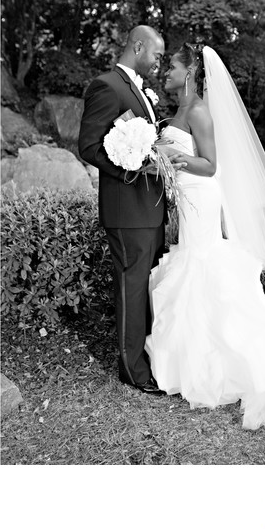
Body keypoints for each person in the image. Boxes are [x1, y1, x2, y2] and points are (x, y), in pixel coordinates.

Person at [145, 43, 265, 429]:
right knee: (192, 259)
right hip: (187, 196)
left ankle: (223, 358)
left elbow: (211, 166)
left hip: (201, 194)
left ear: (190, 72)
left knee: (200, 261)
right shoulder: (178, 109)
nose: (166, 74)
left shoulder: (198, 112)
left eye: (171, 68)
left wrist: (172, 158)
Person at [78, 25, 181, 394]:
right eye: (156, 54)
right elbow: (89, 146)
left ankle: (148, 359)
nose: (158, 61)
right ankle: (132, 370)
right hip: (127, 211)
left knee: (146, 285)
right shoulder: (106, 85)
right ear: (138, 46)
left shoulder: (140, 90)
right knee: (132, 287)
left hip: (149, 210)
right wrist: (131, 169)